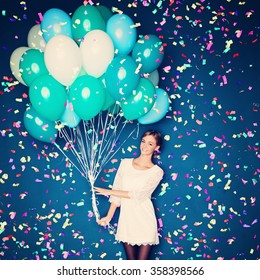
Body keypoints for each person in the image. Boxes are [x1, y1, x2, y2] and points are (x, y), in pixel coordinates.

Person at [94, 130, 164, 260]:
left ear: (156, 148)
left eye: (150, 144)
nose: (145, 146)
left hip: (145, 219)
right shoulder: (125, 163)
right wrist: (109, 217)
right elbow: (117, 193)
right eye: (143, 142)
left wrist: (109, 191)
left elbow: (139, 195)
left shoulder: (157, 172)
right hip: (127, 220)